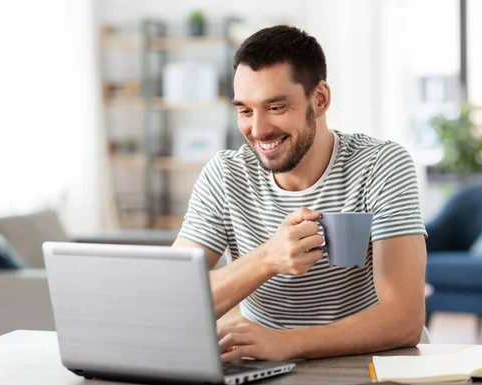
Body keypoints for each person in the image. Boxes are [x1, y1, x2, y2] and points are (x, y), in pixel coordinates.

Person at [173, 25, 427, 362]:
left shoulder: (381, 165)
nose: (258, 130)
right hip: (266, 366)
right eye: (245, 111)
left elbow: (404, 321)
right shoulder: (225, 175)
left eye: (276, 107)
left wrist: (288, 343)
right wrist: (268, 259)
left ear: (319, 99)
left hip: (369, 365)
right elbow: (172, 298)